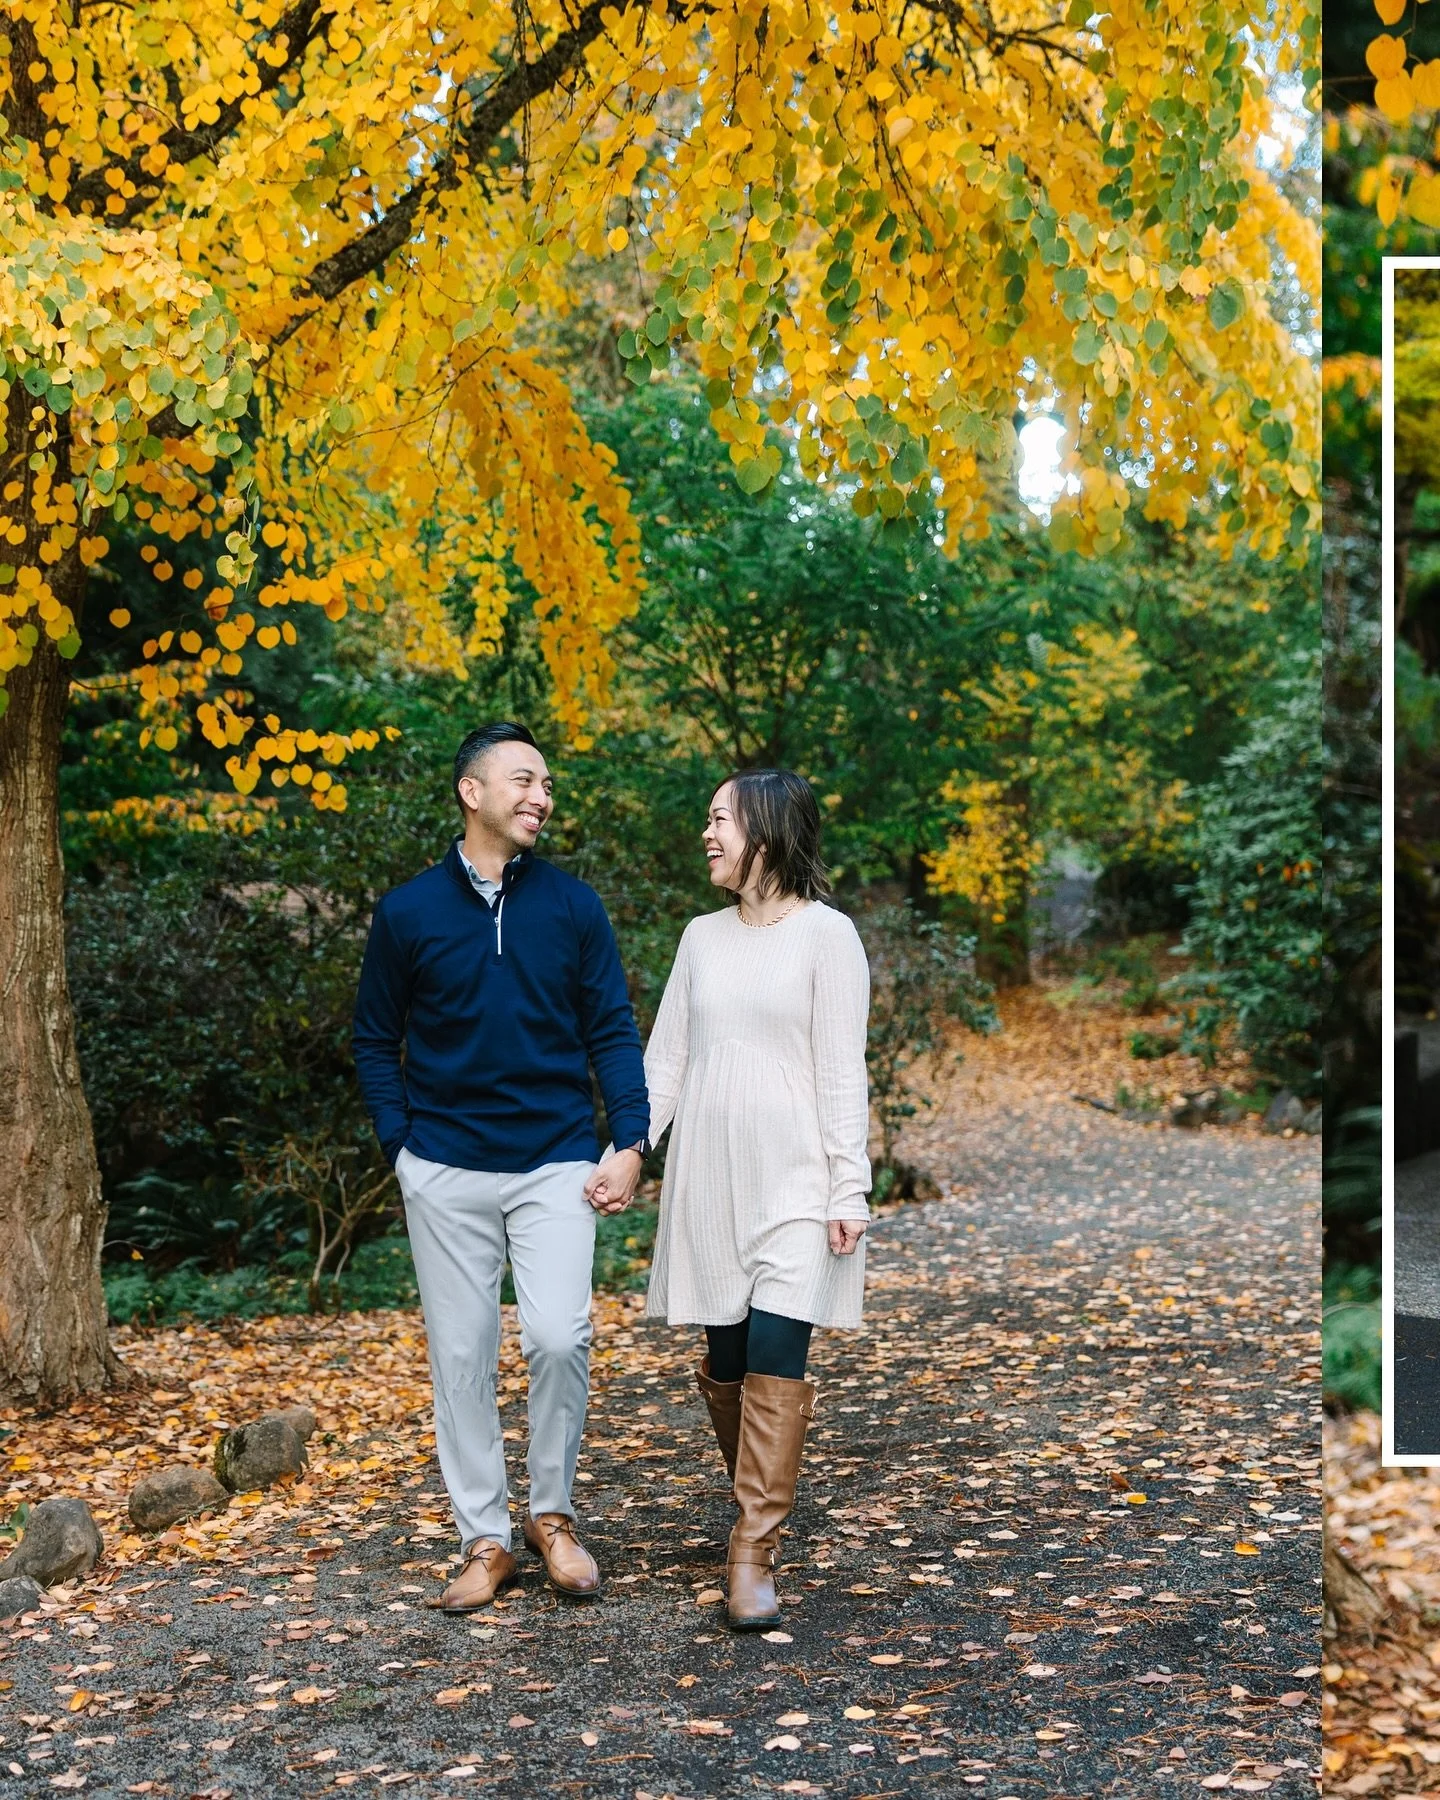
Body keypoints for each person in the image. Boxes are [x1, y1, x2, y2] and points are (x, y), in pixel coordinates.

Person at [352, 722, 651, 1611]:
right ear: (470, 792)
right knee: (462, 1355)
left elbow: (612, 1030)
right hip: (443, 1168)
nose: (542, 797)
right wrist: (400, 1149)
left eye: (548, 784)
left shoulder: (572, 905)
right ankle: (485, 1537)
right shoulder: (408, 911)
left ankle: (550, 1517)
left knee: (560, 1337)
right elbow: (375, 1038)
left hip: (555, 1159)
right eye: (524, 780)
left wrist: (629, 1141)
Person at [642, 769, 871, 1629]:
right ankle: (756, 1506)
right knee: (730, 1360)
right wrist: (629, 1149)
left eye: (720, 820)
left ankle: (752, 1552)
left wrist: (848, 1184)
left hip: (796, 1179)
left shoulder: (828, 936)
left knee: (779, 1348)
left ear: (766, 833)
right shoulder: (701, 937)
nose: (707, 834)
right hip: (710, 1178)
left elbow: (842, 1068)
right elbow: (664, 1060)